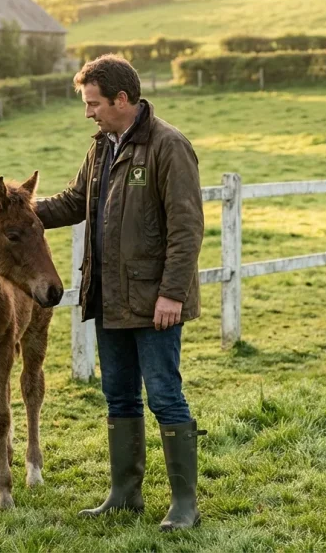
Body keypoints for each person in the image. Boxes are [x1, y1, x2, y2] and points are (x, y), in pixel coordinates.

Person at [35, 54, 206, 531]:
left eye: (94, 103)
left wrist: (171, 294)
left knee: (165, 397)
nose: (88, 112)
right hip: (108, 298)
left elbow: (187, 228)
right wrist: (18, 208)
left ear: (122, 99)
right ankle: (125, 495)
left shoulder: (169, 147)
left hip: (156, 304)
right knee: (119, 397)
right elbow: (74, 201)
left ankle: (185, 505)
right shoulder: (101, 148)